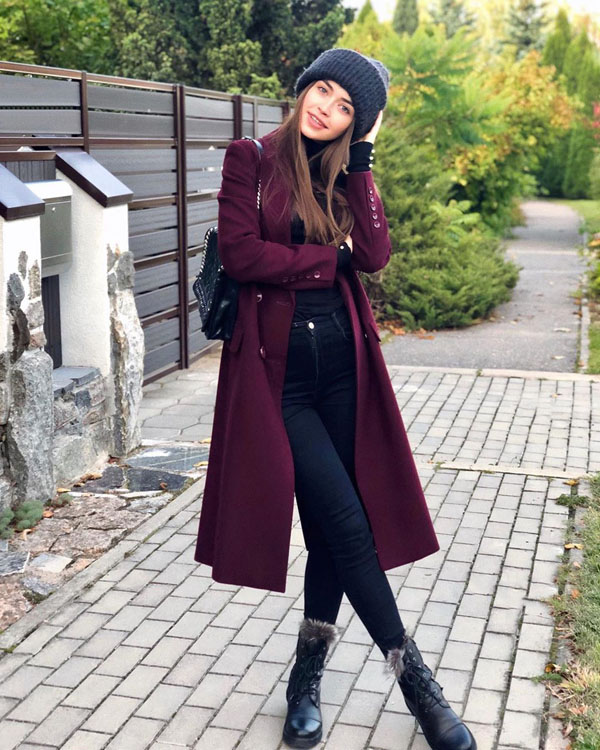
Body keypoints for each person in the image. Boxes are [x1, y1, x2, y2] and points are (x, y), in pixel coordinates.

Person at [193, 48, 477, 750]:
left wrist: (363, 160)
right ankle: (419, 686)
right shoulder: (251, 159)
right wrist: (327, 260)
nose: (327, 108)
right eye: (323, 90)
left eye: (347, 107)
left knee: (330, 532)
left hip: (346, 369)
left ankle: (305, 680)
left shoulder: (343, 171)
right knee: (350, 527)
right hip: (279, 377)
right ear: (304, 88)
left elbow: (374, 255)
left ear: (357, 123)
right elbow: (242, 254)